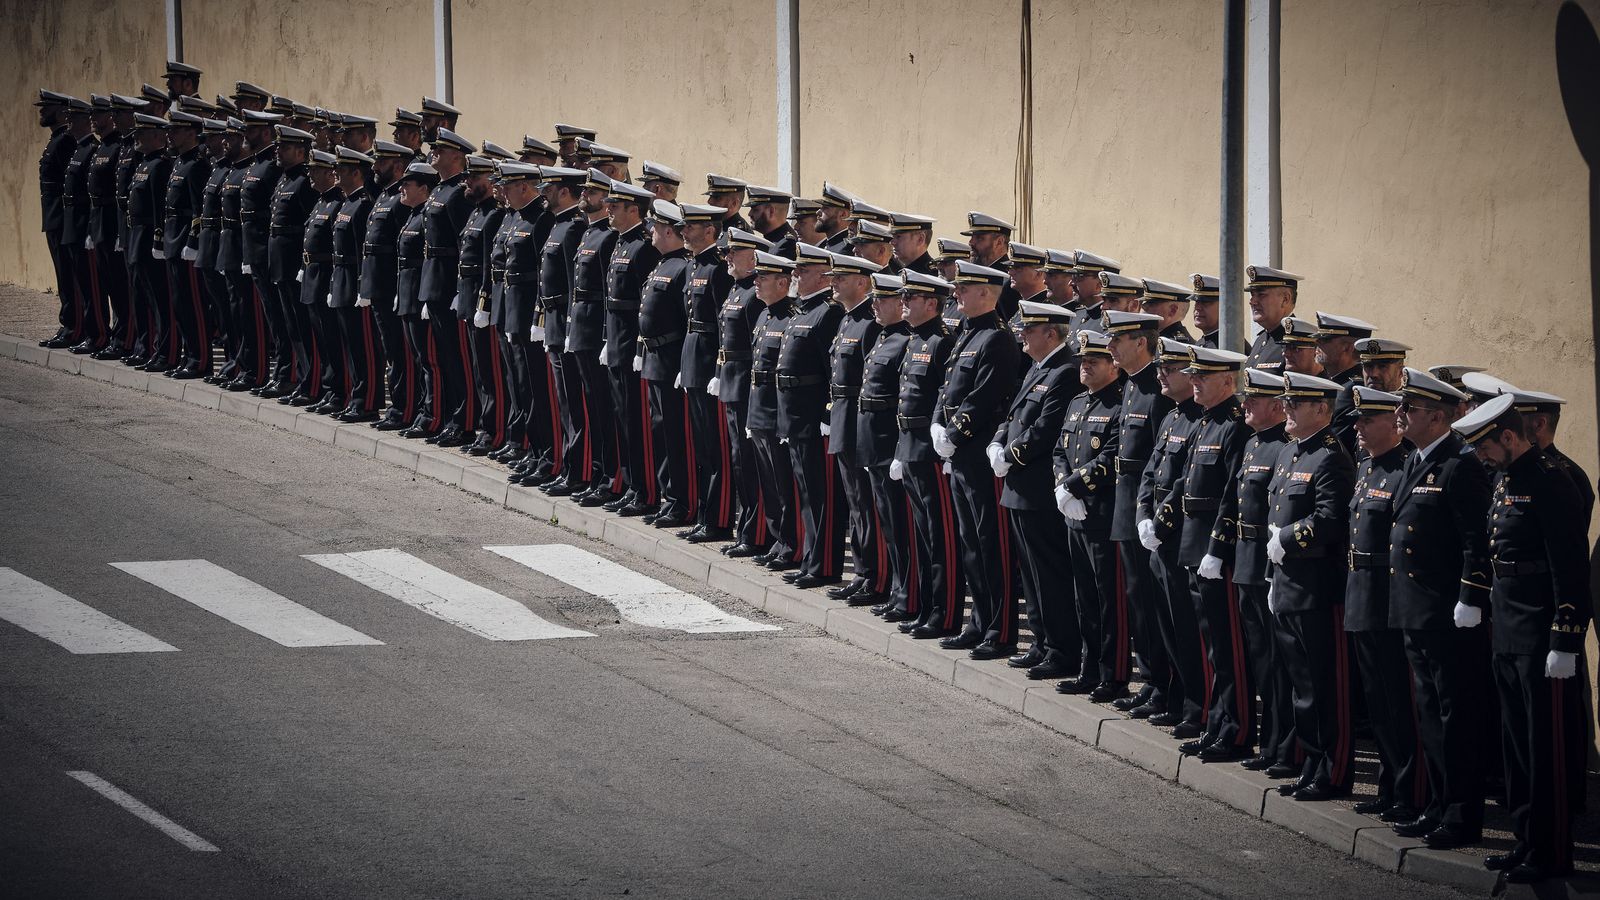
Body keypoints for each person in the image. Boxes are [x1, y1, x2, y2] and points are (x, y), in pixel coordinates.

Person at [1453, 394, 1592, 883]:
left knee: (1545, 748)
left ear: (1509, 437)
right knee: (1516, 746)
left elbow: (1570, 567)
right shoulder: (1504, 479)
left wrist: (1566, 639)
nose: (1482, 459)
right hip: (1508, 627)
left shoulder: (1552, 483)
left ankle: (1553, 852)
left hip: (1542, 635)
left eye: (1486, 448)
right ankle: (1526, 838)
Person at [1389, 368, 1492, 846]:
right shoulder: (1417, 458)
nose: (1399, 414)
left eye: (1408, 408)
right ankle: (1437, 804)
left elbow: (1476, 542)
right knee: (1429, 715)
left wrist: (1470, 598)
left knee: (1457, 718)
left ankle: (1461, 814)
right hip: (1416, 611)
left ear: (1436, 416)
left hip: (1447, 615)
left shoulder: (1460, 464)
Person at [1266, 371, 1356, 801]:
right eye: (1286, 402)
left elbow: (1331, 520)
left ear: (1322, 409)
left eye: (1294, 403)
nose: (1286, 409)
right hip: (1288, 584)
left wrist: (1285, 540)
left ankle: (1333, 771)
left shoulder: (1330, 457)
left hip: (1318, 589)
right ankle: (1312, 763)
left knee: (1325, 685)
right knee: (1302, 686)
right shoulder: (1290, 453)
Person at [1341, 385, 1424, 821]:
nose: (1356, 427)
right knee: (1377, 702)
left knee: (1399, 701)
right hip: (1361, 597)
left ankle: (1410, 790)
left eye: (1366, 420)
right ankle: (1390, 786)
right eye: (1356, 419)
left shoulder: (1405, 469)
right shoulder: (1367, 467)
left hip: (1388, 601)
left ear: (1393, 423)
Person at [932, 260, 1022, 658]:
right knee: (970, 543)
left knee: (991, 545)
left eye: (964, 289)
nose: (956, 294)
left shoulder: (997, 339)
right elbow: (947, 388)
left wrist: (954, 434)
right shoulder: (967, 334)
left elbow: (986, 396)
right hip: (960, 454)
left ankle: (1000, 631)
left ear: (987, 293)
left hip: (980, 454)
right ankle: (979, 621)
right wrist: (938, 425)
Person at [991, 300, 1079, 674]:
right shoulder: (1038, 366)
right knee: (1031, 573)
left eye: (1030, 329)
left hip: (1038, 487)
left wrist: (1010, 455)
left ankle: (1061, 651)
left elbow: (1045, 430)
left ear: (1050, 333)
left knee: (1050, 575)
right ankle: (1041, 642)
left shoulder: (1064, 371)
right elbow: (1013, 415)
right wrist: (996, 442)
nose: (1022, 334)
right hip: (1019, 486)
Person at [1182, 346, 1255, 761]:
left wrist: (1216, 547)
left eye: (1202, 377)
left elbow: (1231, 495)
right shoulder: (1204, 422)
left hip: (1217, 551)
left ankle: (1238, 729)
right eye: (1192, 375)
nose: (1194, 382)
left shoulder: (1233, 426)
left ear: (1228, 382)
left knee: (1228, 648)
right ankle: (1218, 723)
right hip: (1195, 545)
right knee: (1212, 644)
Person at [1227, 368, 1295, 772]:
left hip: (1267, 566)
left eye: (1253, 399)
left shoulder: (1282, 447)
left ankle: (1285, 747)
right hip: (1245, 561)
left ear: (1275, 406)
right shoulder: (1253, 444)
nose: (1245, 404)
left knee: (1279, 667)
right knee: (1261, 662)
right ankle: (1269, 745)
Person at [1135, 338, 1204, 724]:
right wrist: (1143, 512)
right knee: (1167, 624)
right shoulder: (1172, 415)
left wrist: (1160, 520)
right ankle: (1176, 700)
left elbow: (1185, 482)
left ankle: (1194, 707)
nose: (1161, 373)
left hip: (1177, 536)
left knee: (1187, 630)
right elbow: (1152, 471)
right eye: (1160, 367)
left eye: (1170, 368)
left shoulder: (1199, 419)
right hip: (1158, 535)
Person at [1054, 330, 1127, 686]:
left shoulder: (1119, 405)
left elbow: (1111, 455)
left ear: (1113, 366)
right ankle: (1089, 669)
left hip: (1101, 515)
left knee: (1107, 600)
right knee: (1083, 597)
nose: (1084, 366)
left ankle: (1111, 675)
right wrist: (1062, 485)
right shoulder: (1077, 403)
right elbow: (1059, 451)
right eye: (1082, 360)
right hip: (1074, 515)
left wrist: (1073, 486)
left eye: (1093, 361)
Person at [896, 270, 962, 638]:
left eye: (912, 297)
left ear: (932, 304)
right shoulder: (915, 338)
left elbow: (944, 400)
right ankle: (926, 607)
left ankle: (945, 613)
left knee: (941, 537)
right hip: (910, 446)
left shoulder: (941, 341)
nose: (904, 302)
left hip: (930, 450)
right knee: (921, 534)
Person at [777, 243, 847, 586]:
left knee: (821, 495)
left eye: (802, 270)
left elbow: (832, 371)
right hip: (795, 413)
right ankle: (809, 558)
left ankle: (824, 564)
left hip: (813, 415)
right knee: (805, 490)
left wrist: (826, 413)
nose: (795, 275)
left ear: (822, 274)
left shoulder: (827, 313)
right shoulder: (801, 310)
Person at [824, 253, 888, 602]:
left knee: (867, 502)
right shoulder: (847, 320)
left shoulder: (869, 323)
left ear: (863, 282)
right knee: (855, 502)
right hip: (842, 416)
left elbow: (868, 381)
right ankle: (864, 573)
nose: (833, 281)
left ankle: (877, 577)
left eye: (841, 277)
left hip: (858, 420)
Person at [855, 273, 914, 616]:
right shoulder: (880, 335)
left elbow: (904, 399)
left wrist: (897, 450)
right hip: (873, 439)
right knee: (887, 523)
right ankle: (897, 589)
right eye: (875, 298)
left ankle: (907, 593)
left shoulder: (906, 340)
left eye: (883, 299)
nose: (875, 304)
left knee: (901, 524)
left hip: (890, 441)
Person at [714, 227, 775, 556]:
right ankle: (747, 529)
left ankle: (757, 533)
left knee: (752, 463)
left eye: (733, 252)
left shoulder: (754, 295)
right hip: (731, 382)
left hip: (746, 386)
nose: (726, 257)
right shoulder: (738, 289)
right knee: (740, 462)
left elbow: (758, 348)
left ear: (753, 257)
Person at [636, 200, 697, 528]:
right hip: (654, 360)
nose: (651, 232)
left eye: (656, 228)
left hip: (671, 361)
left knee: (676, 436)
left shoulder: (683, 266)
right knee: (660, 432)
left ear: (670, 232)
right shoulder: (661, 264)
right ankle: (668, 496)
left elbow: (688, 320)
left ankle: (681, 502)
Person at [678, 202, 736, 540]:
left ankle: (719, 519)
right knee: (701, 446)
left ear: (710, 231)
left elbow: (721, 325)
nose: (684, 232)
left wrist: (717, 368)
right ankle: (705, 514)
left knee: (716, 449)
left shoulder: (716, 269)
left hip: (709, 366)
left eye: (692, 227)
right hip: (692, 362)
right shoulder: (693, 266)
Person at [746, 252, 802, 569]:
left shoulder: (790, 317)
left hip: (776, 411)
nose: (757, 281)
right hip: (759, 408)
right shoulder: (764, 315)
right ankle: (777, 538)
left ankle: (791, 543)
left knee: (784, 483)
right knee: (768, 480)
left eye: (763, 277)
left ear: (782, 282)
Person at [361, 141, 419, 429]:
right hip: (379, 286)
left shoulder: (400, 200)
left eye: (381, 162)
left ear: (397, 165)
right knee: (391, 351)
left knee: (400, 353)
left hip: (392, 286)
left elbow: (404, 249)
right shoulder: (386, 196)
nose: (374, 166)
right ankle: (398, 405)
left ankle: (404, 408)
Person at [328, 146, 382, 422]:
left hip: (355, 281)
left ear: (356, 172)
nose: (335, 173)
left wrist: (363, 287)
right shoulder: (346, 202)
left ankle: (367, 400)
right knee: (349, 344)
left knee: (364, 347)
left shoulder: (363, 205)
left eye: (342, 169)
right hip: (342, 279)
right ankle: (354, 396)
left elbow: (363, 250)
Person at [1242, 265, 1299, 373]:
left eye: (1261, 295)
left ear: (1285, 299)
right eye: (1252, 295)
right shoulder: (1261, 340)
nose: (1252, 301)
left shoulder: (1297, 344)